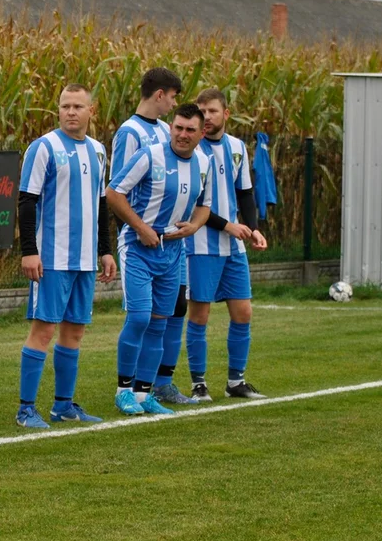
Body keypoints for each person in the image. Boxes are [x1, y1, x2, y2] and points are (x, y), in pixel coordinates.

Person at [15, 84, 117, 428]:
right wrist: (30, 251)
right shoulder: (43, 147)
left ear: (92, 111)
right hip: (52, 259)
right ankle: (26, 408)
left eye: (77, 106)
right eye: (65, 106)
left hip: (85, 260)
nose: (71, 112)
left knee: (74, 333)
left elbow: (100, 203)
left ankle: (63, 405)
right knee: (43, 332)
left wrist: (105, 250)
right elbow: (26, 201)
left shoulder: (99, 151)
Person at [106, 103, 212, 416]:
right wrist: (140, 227)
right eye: (178, 127)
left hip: (172, 251)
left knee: (158, 324)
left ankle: (143, 394)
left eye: (190, 129)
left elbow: (205, 205)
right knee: (139, 317)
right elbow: (114, 192)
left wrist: (194, 226)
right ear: (171, 128)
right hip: (138, 247)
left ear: (201, 133)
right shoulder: (150, 155)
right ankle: (123, 391)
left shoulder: (203, 163)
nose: (182, 134)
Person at [182, 88, 268, 400]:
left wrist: (253, 228)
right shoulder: (192, 149)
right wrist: (229, 225)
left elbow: (245, 192)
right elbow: (191, 203)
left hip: (233, 247)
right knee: (200, 315)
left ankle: (236, 382)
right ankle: (198, 384)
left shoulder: (237, 147)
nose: (205, 117)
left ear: (225, 114)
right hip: (201, 243)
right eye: (201, 111)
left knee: (243, 312)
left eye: (212, 111)